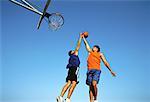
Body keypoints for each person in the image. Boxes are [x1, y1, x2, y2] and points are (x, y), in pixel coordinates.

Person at [82, 35, 116, 102]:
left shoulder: (100, 54)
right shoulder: (90, 52)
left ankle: (95, 99)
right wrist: (83, 37)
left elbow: (105, 62)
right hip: (89, 70)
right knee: (90, 87)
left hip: (96, 70)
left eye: (94, 47)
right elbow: (86, 45)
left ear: (97, 49)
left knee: (94, 84)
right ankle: (91, 101)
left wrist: (111, 70)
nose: (93, 47)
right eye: (93, 47)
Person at [56, 34, 82, 102]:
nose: (75, 51)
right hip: (74, 69)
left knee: (69, 83)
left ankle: (60, 97)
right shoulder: (74, 55)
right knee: (74, 83)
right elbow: (78, 46)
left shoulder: (71, 58)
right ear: (71, 53)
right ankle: (67, 98)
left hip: (71, 69)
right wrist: (80, 37)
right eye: (73, 51)